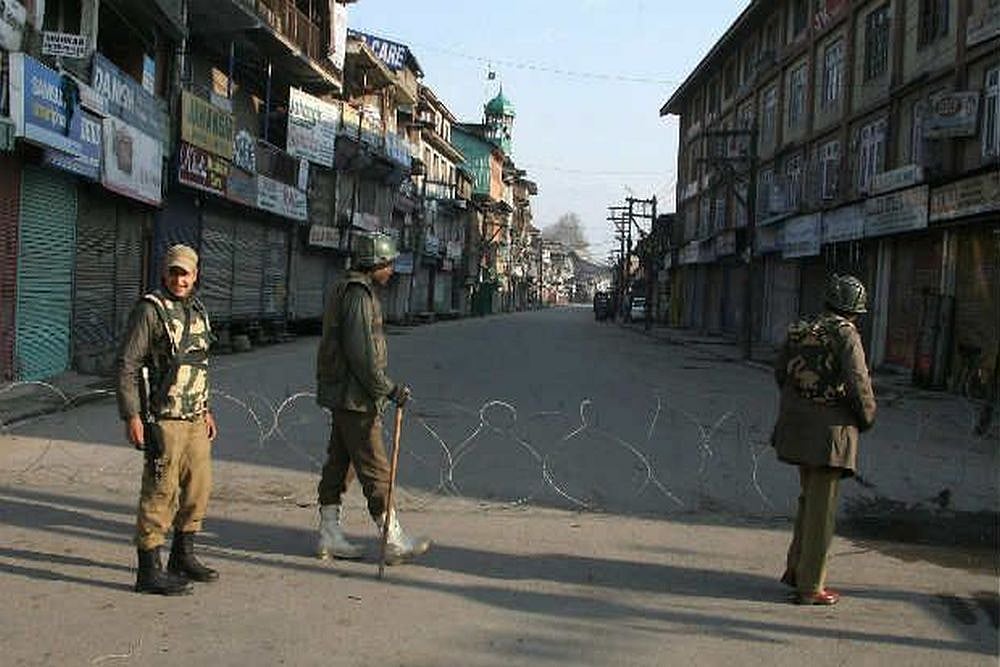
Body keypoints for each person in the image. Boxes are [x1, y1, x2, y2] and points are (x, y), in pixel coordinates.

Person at [314, 231, 430, 564]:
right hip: (356, 398)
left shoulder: (346, 289)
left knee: (340, 466)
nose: (391, 269)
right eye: (387, 263)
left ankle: (329, 533)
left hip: (345, 394)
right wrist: (389, 389)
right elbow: (362, 355)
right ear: (373, 263)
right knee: (376, 468)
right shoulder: (358, 295)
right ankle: (392, 538)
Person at [117, 244, 219, 596]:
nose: (179, 279)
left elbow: (199, 366)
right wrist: (132, 415)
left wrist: (206, 409)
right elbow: (128, 364)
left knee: (198, 489)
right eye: (174, 272)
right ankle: (149, 571)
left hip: (195, 419)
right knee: (160, 492)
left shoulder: (199, 311)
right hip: (164, 420)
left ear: (195, 275)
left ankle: (182, 556)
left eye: (185, 273)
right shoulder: (150, 310)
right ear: (165, 273)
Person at [772, 274, 877, 605]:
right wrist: (866, 416)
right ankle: (811, 586)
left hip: (795, 426)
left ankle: (796, 569)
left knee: (808, 501)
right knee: (822, 511)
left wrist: (801, 403)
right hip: (829, 433)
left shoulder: (800, 329)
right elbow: (858, 381)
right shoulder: (846, 334)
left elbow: (781, 373)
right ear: (855, 310)